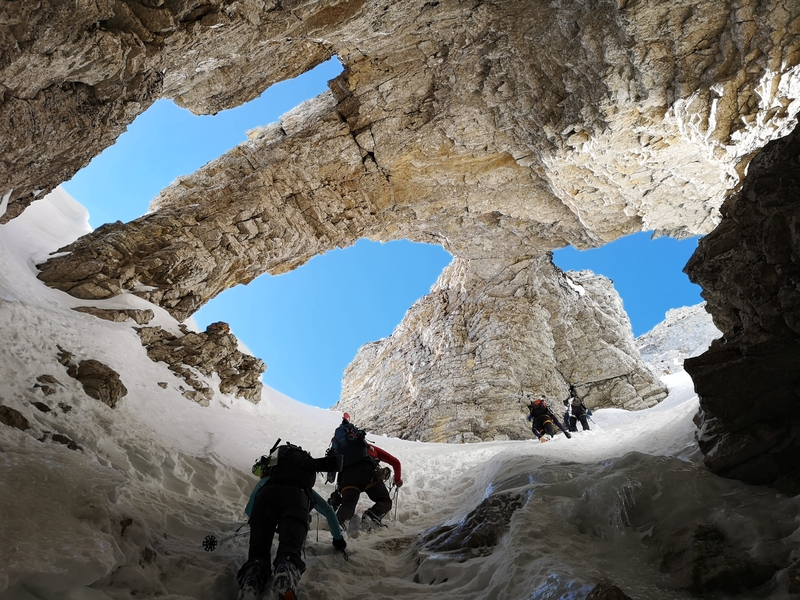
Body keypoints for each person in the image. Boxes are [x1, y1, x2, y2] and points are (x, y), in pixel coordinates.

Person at [236, 440, 343, 600]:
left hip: (266, 498)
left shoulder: (269, 480)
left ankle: (253, 578)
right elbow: (328, 511)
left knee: (258, 555)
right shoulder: (303, 486)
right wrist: (338, 539)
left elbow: (251, 508)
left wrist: (257, 522)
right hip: (297, 501)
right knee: (289, 550)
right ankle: (286, 571)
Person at [327, 413, 402, 534]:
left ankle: (338, 525)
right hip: (367, 473)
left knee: (348, 505)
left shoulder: (340, 451)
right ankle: (370, 517)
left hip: (347, 477)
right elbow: (395, 462)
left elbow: (331, 475)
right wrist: (397, 479)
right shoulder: (367, 448)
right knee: (385, 501)